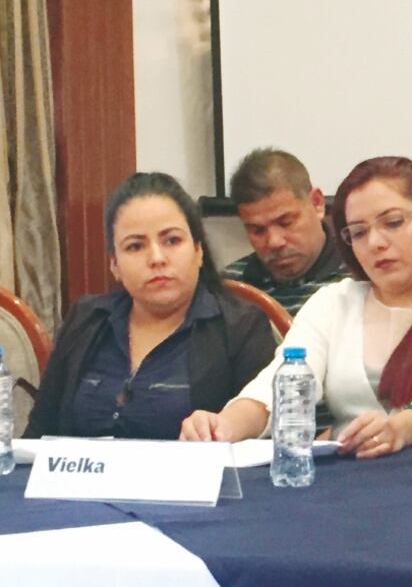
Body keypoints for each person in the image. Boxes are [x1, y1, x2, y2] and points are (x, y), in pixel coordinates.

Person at [181, 157, 412, 457]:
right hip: (348, 486)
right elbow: (281, 382)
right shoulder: (334, 303)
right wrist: (224, 426)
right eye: (358, 232)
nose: (375, 243)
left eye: (393, 223)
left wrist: (405, 426)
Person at [24, 173, 276, 439]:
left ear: (198, 250)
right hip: (81, 480)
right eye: (135, 246)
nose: (156, 258)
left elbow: (258, 445)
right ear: (114, 265)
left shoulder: (241, 328)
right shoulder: (86, 319)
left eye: (172, 241)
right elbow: (40, 431)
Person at [224, 148, 343, 316]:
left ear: (316, 203)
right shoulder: (229, 289)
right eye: (257, 230)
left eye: (285, 222)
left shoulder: (363, 277)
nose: (274, 241)